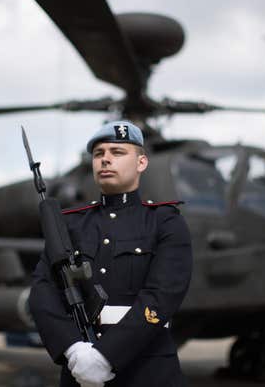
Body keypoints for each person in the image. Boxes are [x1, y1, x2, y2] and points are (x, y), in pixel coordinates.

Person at [28, 120, 193, 387]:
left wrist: (105, 357)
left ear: (141, 163)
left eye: (117, 153)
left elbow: (162, 295)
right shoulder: (69, 225)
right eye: (98, 154)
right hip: (80, 371)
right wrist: (73, 350)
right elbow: (42, 290)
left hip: (148, 370)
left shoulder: (165, 222)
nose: (105, 160)